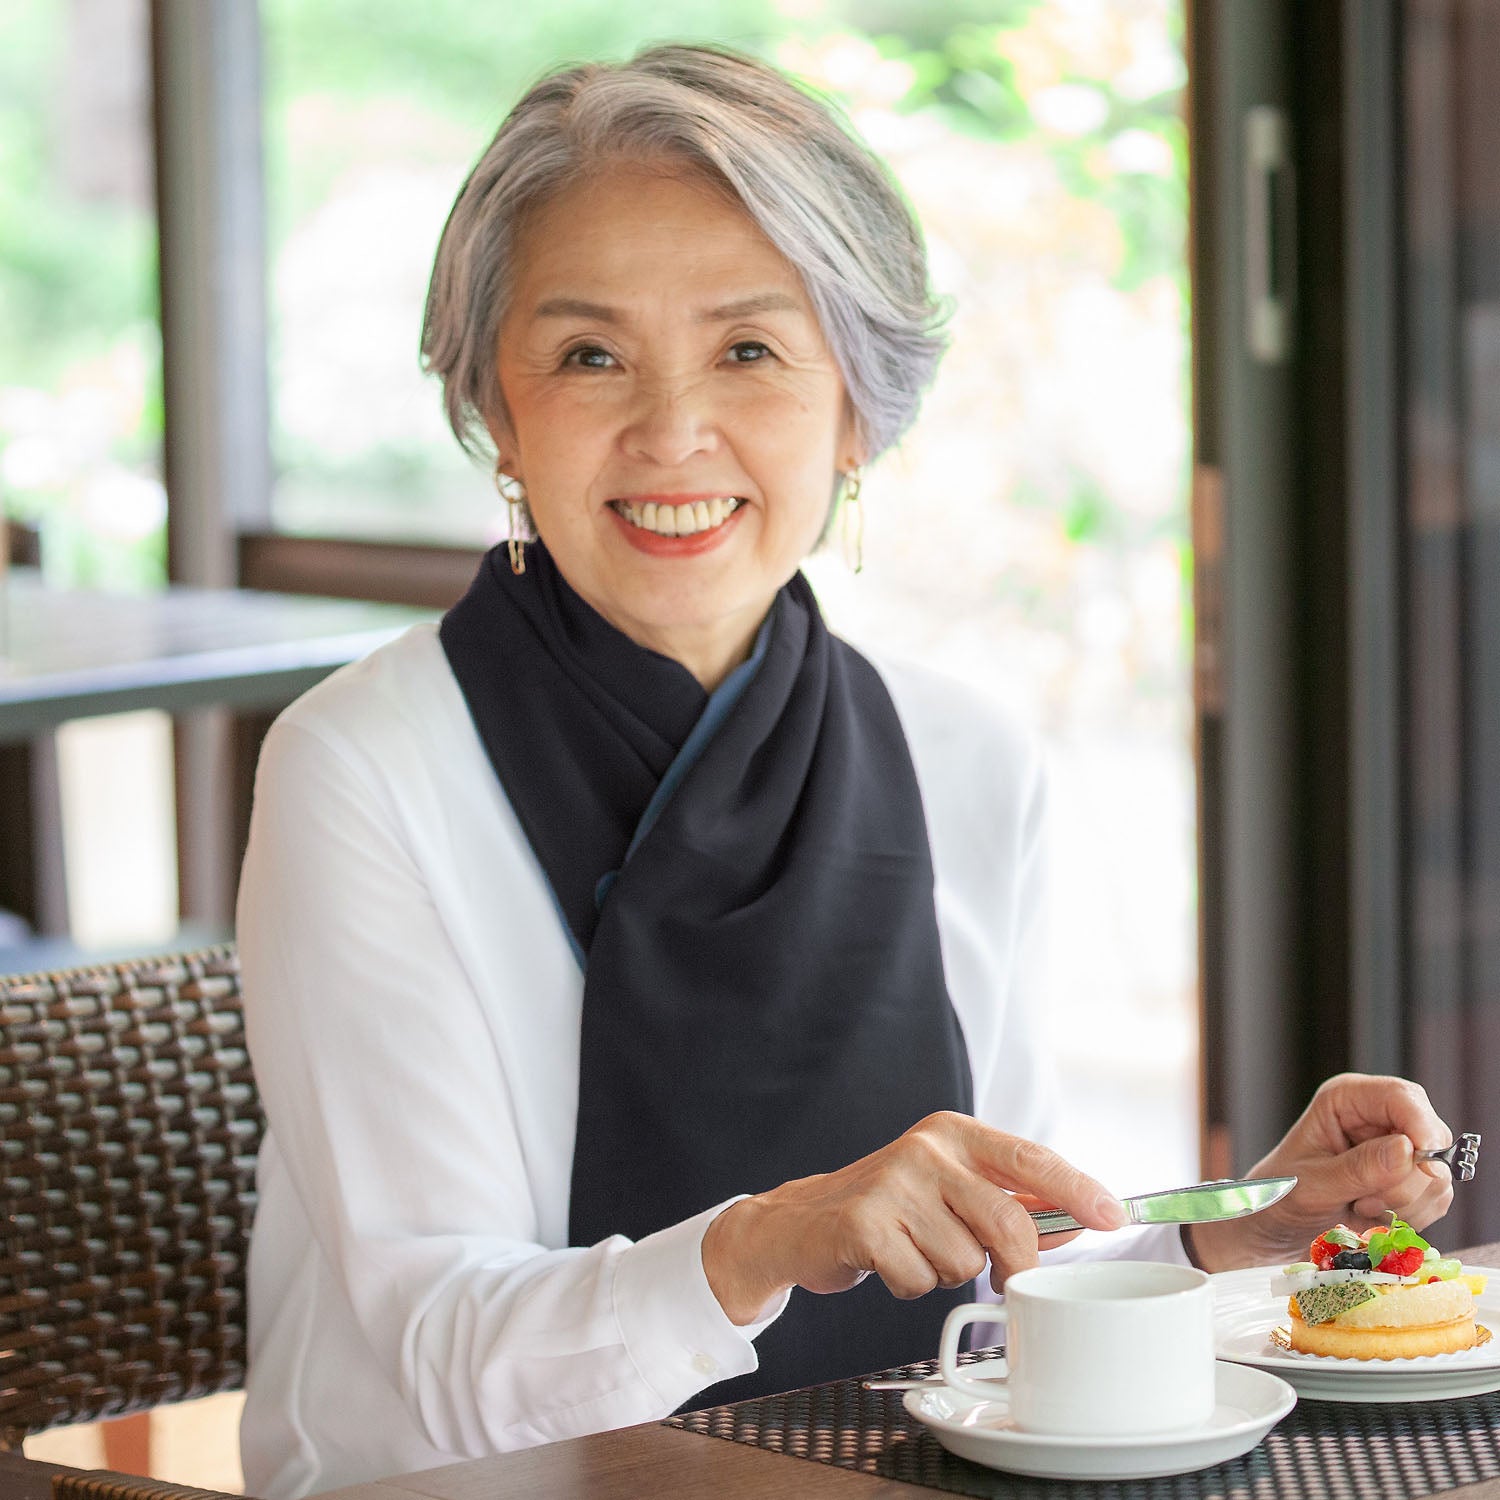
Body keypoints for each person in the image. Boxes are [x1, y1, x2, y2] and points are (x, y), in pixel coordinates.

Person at [236, 44, 1456, 1500]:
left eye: (750, 351)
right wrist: (771, 1240)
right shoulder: (363, 771)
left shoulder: (965, 754)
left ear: (858, 408)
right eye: (587, 355)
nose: (673, 432)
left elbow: (1001, 1247)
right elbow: (441, 1358)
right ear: (497, 413)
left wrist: (1235, 1220)